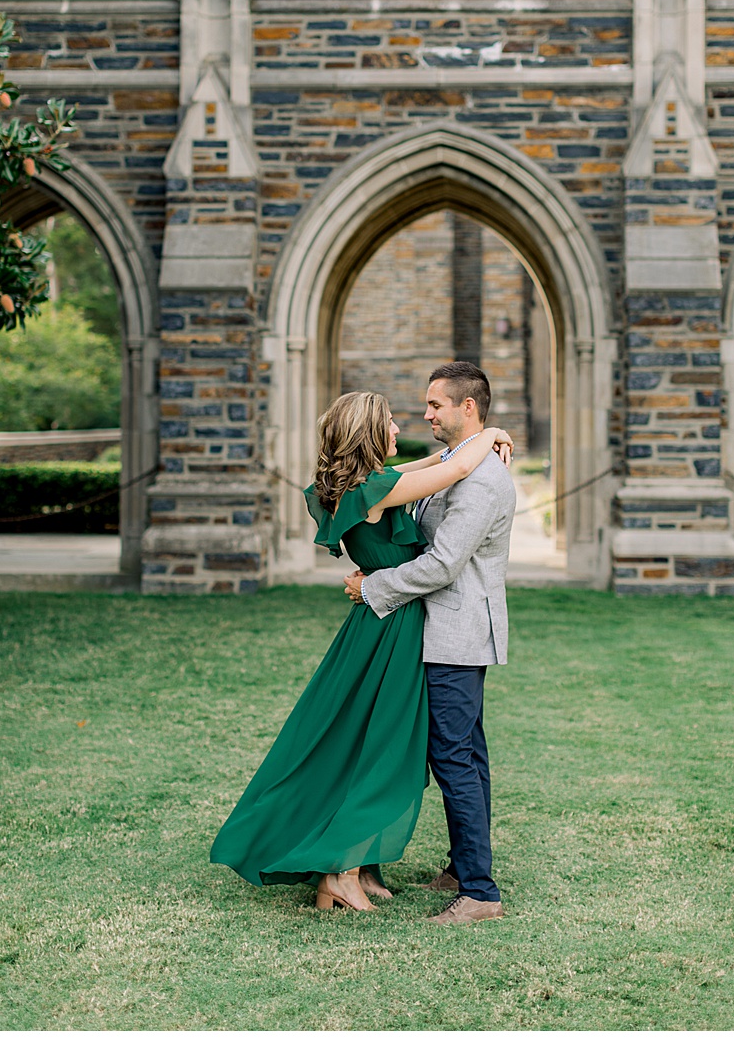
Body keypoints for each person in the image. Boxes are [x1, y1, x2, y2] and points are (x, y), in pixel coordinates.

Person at [210, 388, 513, 913]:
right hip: (392, 630)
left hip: (377, 625)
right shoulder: (379, 488)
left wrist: (476, 437)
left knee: (363, 741)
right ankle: (342, 872)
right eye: (392, 421)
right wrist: (487, 432)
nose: (403, 426)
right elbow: (454, 467)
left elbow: (435, 462)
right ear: (371, 431)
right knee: (379, 750)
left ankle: (359, 866)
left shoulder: (354, 484)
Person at [343, 361, 518, 927]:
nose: (426, 415)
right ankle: (462, 866)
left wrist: (375, 586)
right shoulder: (456, 461)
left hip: (457, 633)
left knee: (454, 758)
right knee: (467, 754)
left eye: (436, 405)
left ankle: (479, 893)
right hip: (444, 631)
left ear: (467, 407)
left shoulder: (484, 478)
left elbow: (443, 564)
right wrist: (490, 434)